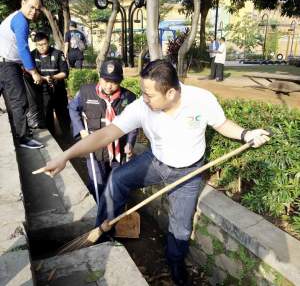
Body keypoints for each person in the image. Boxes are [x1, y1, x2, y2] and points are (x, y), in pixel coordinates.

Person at [41, 60, 270, 285]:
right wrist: (66, 155)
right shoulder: (142, 106)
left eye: (149, 94)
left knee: (180, 226)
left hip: (188, 173)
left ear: (170, 93)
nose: (143, 98)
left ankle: (175, 263)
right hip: (155, 162)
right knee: (117, 179)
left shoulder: (201, 100)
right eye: (142, 91)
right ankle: (104, 232)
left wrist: (246, 134)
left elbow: (222, 124)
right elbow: (104, 135)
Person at [68, 59, 137, 203]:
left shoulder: (129, 98)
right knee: (97, 183)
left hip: (118, 152)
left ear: (120, 81)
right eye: (105, 80)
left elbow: (133, 124)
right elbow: (73, 108)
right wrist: (81, 130)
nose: (109, 86)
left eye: (114, 82)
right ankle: (99, 212)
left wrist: (130, 143)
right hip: (94, 148)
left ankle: (112, 215)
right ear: (100, 77)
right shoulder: (86, 92)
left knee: (115, 184)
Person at [0, 0, 44, 149]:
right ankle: (23, 138)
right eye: (31, 7)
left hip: (5, 62)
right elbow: (23, 48)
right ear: (23, 3)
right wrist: (33, 72)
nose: (34, 11)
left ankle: (20, 132)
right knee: (20, 100)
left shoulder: (15, 17)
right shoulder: (21, 21)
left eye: (38, 9)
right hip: (6, 65)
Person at [30, 31, 70, 133]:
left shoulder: (57, 53)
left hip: (58, 89)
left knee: (63, 115)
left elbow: (65, 72)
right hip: (42, 91)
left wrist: (53, 77)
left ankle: (67, 137)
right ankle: (53, 136)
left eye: (44, 44)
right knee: (47, 116)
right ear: (36, 44)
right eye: (39, 45)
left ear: (48, 42)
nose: (42, 47)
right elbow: (29, 72)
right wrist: (43, 78)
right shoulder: (32, 55)